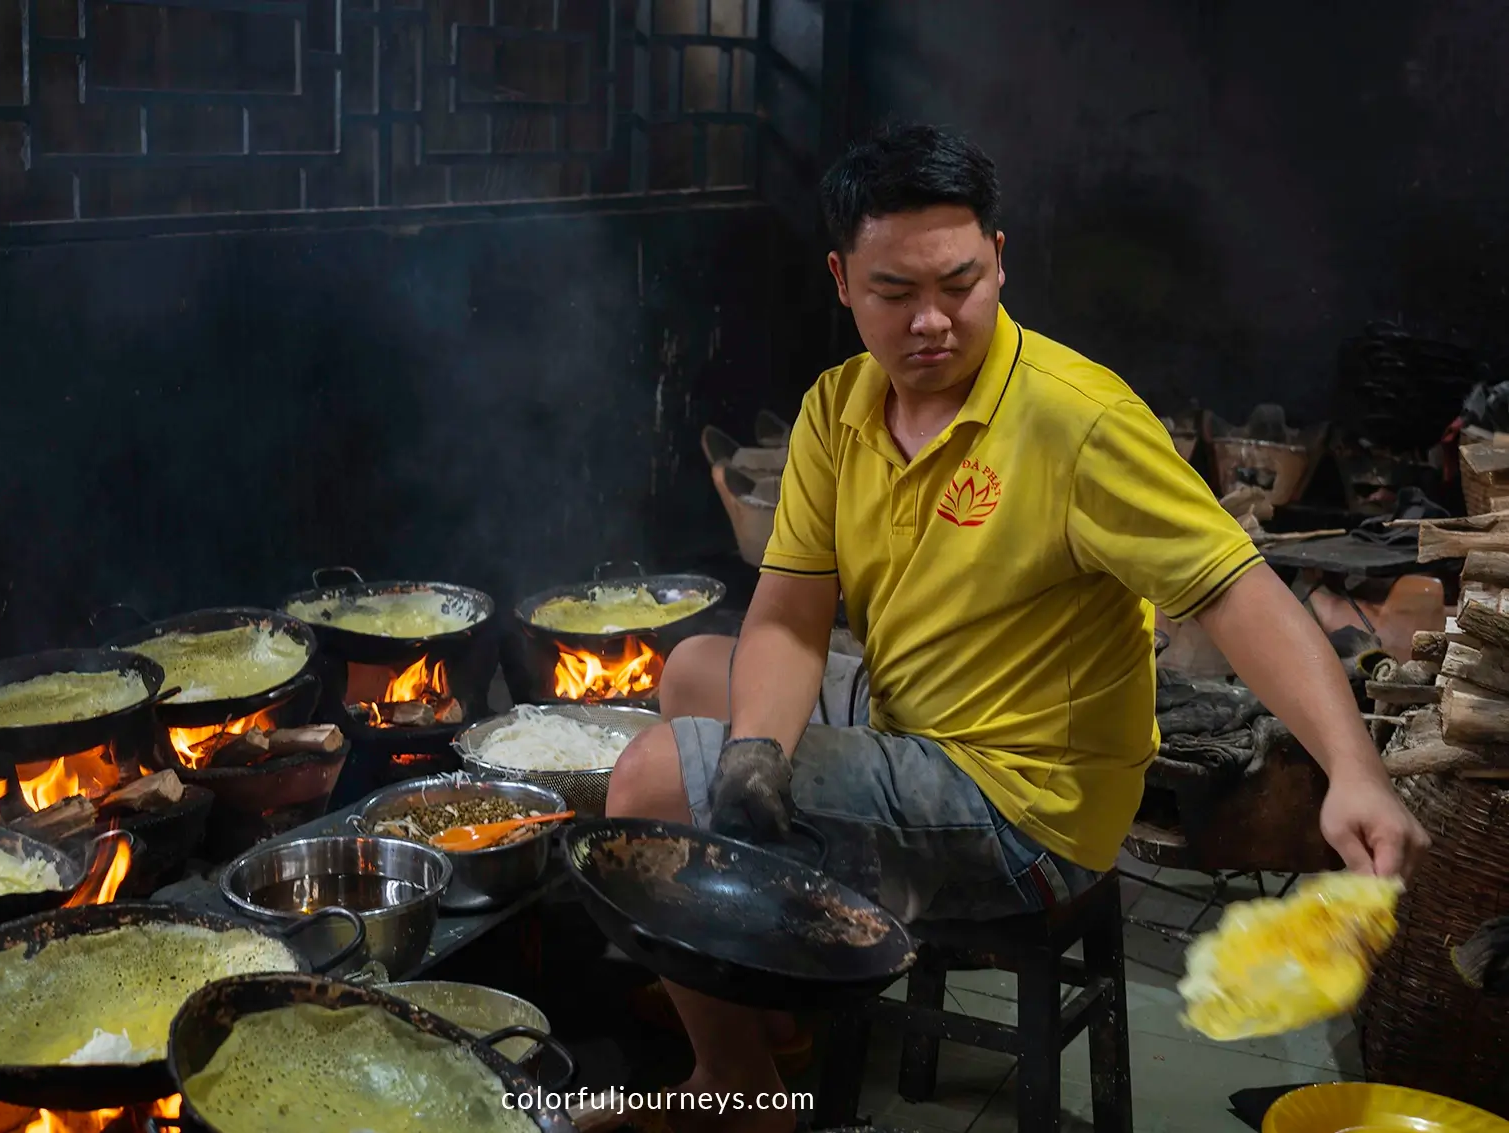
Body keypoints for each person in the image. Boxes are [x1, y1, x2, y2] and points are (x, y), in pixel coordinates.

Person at [604, 123, 1430, 1133]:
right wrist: (753, 758)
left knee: (648, 776)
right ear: (840, 280)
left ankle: (738, 1093)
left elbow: (1235, 591)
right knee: (697, 671)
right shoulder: (835, 408)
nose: (931, 322)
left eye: (958, 283)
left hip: (1022, 806)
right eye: (893, 293)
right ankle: (768, 1016)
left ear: (997, 257)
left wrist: (1351, 764)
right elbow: (786, 612)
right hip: (918, 726)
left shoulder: (1072, 419)